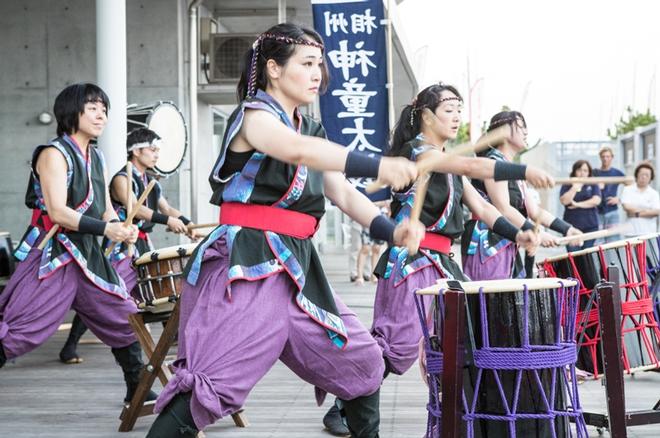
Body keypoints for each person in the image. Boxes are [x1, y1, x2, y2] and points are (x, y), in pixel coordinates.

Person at [145, 23, 424, 438]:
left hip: (298, 268)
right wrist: (378, 165)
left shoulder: (310, 128)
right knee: (215, 384)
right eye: (307, 63)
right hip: (250, 263)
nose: (318, 74)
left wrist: (390, 229)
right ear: (273, 69)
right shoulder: (253, 117)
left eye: (320, 64)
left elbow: (342, 194)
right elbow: (295, 151)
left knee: (361, 360)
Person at [322, 84, 555, 435]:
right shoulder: (417, 154)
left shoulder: (450, 161)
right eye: (449, 109)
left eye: (459, 109)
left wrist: (516, 233)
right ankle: (344, 404)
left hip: (445, 264)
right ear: (426, 115)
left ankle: (466, 421)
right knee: (396, 350)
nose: (457, 115)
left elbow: (483, 207)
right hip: (412, 261)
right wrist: (521, 172)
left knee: (464, 342)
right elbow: (476, 166)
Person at [0, 83, 154, 404]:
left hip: (89, 258)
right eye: (93, 107)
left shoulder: (96, 156)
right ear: (72, 111)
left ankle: (137, 389)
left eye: (104, 109)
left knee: (124, 316)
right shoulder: (53, 154)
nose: (102, 115)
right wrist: (106, 229)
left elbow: (108, 211)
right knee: (22, 330)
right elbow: (58, 212)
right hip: (57, 256)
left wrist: (119, 228)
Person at [58, 127, 198, 364]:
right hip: (121, 243)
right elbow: (138, 208)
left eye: (156, 150)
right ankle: (70, 345)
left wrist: (186, 222)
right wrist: (168, 221)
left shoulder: (151, 181)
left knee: (153, 288)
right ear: (136, 151)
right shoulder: (123, 178)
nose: (156, 155)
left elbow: (166, 208)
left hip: (141, 242)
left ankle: (168, 340)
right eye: (151, 149)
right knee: (108, 290)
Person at [462, 110, 582, 280]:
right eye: (521, 125)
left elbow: (534, 211)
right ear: (504, 132)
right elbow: (503, 208)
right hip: (488, 242)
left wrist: (567, 229)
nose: (526, 131)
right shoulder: (494, 163)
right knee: (493, 302)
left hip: (506, 241)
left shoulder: (512, 167)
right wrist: (536, 233)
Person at [559, 160, 602, 251]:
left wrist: (577, 204)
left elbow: (596, 201)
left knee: (587, 254)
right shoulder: (568, 184)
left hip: (590, 226)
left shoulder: (593, 183)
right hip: (571, 227)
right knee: (574, 255)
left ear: (589, 172)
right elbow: (564, 201)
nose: (582, 173)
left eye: (585, 170)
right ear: (574, 171)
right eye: (579, 170)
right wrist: (575, 187)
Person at [593, 146, 625, 243]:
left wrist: (619, 199)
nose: (605, 159)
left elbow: (630, 185)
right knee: (597, 241)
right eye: (603, 156)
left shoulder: (617, 173)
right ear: (600, 157)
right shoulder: (594, 173)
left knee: (613, 240)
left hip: (612, 211)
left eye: (607, 156)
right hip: (597, 212)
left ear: (612, 157)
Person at [621, 162, 660, 236]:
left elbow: (657, 211)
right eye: (642, 174)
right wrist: (647, 210)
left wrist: (636, 214)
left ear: (651, 178)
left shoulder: (654, 193)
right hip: (631, 232)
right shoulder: (627, 190)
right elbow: (627, 207)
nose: (644, 177)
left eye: (647, 175)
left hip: (649, 233)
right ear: (637, 175)